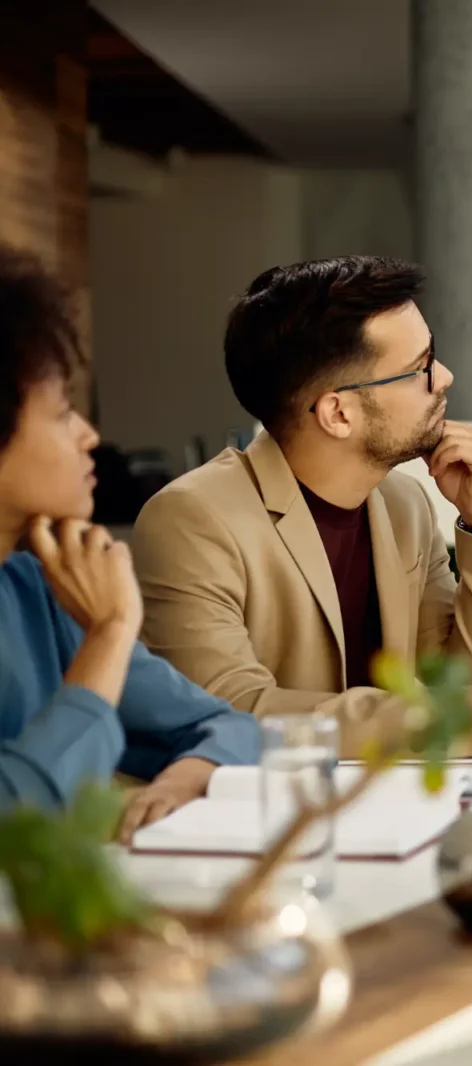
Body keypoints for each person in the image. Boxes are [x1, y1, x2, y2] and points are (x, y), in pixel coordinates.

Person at [131, 256, 472, 757]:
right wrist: (464, 718)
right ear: (337, 413)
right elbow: (232, 712)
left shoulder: (403, 506)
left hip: (391, 813)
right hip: (269, 824)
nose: (445, 377)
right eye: (421, 368)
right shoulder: (192, 519)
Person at [0, 248, 259, 835]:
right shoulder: (83, 607)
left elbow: (228, 727)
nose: (90, 436)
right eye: (64, 412)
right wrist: (112, 632)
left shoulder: (41, 591)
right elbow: (17, 815)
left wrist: (187, 776)